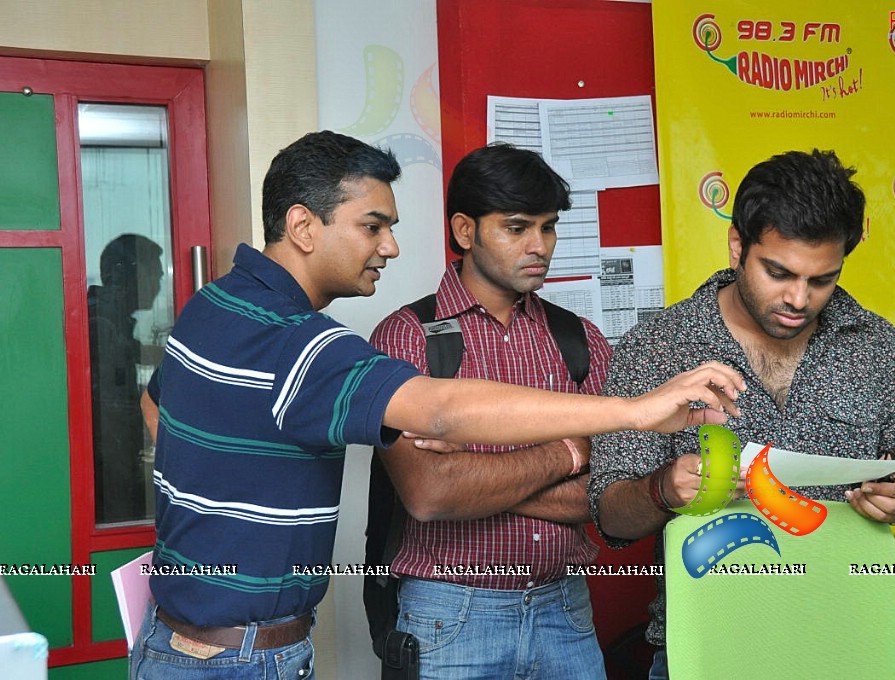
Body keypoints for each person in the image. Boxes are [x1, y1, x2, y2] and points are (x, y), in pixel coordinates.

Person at [130, 131, 746, 679]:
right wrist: (621, 420)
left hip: (190, 641)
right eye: (373, 226)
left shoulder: (214, 304)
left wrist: (227, 485)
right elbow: (440, 438)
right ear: (303, 226)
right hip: (247, 655)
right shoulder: (306, 343)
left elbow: (155, 405)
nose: (390, 247)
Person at [587, 149, 895, 680]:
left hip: (857, 636)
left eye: (822, 279)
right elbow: (609, 515)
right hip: (710, 644)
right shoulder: (658, 347)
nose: (799, 299)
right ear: (738, 245)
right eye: (778, 272)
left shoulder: (875, 346)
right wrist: (663, 489)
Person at [369, 143, 610, 679]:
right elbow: (431, 495)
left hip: (564, 610)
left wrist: (475, 478)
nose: (539, 246)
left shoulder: (578, 338)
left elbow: (609, 491)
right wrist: (569, 450)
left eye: (548, 228)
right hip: (451, 614)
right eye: (517, 227)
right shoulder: (407, 337)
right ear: (464, 231)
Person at [88, 233, 163, 524]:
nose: (158, 285)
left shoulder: (110, 319)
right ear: (126, 276)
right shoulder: (104, 325)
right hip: (110, 470)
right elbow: (111, 408)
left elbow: (138, 354)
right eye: (154, 275)